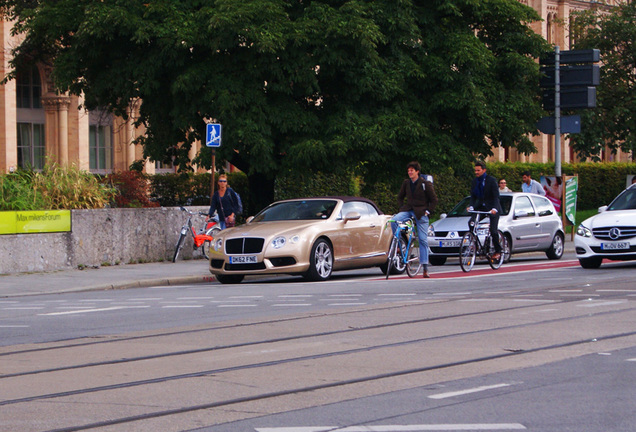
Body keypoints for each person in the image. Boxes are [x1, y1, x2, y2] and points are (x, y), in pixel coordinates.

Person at [393, 161, 438, 278]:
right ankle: (401, 242)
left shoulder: (425, 184)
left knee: (423, 240)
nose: (409, 172)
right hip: (409, 209)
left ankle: (425, 266)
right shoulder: (406, 183)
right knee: (394, 220)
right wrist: (401, 208)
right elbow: (400, 197)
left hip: (421, 212)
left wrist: (428, 211)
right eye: (408, 171)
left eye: (412, 170)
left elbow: (434, 200)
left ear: (417, 171)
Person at [468, 161, 502, 260]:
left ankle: (498, 250)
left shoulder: (491, 180)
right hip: (481, 206)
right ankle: (475, 245)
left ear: (484, 170)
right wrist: (471, 206)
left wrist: (495, 208)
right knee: (471, 223)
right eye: (475, 170)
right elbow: (473, 196)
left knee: (493, 231)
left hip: (492, 207)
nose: (476, 172)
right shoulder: (475, 181)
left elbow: (496, 196)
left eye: (478, 170)